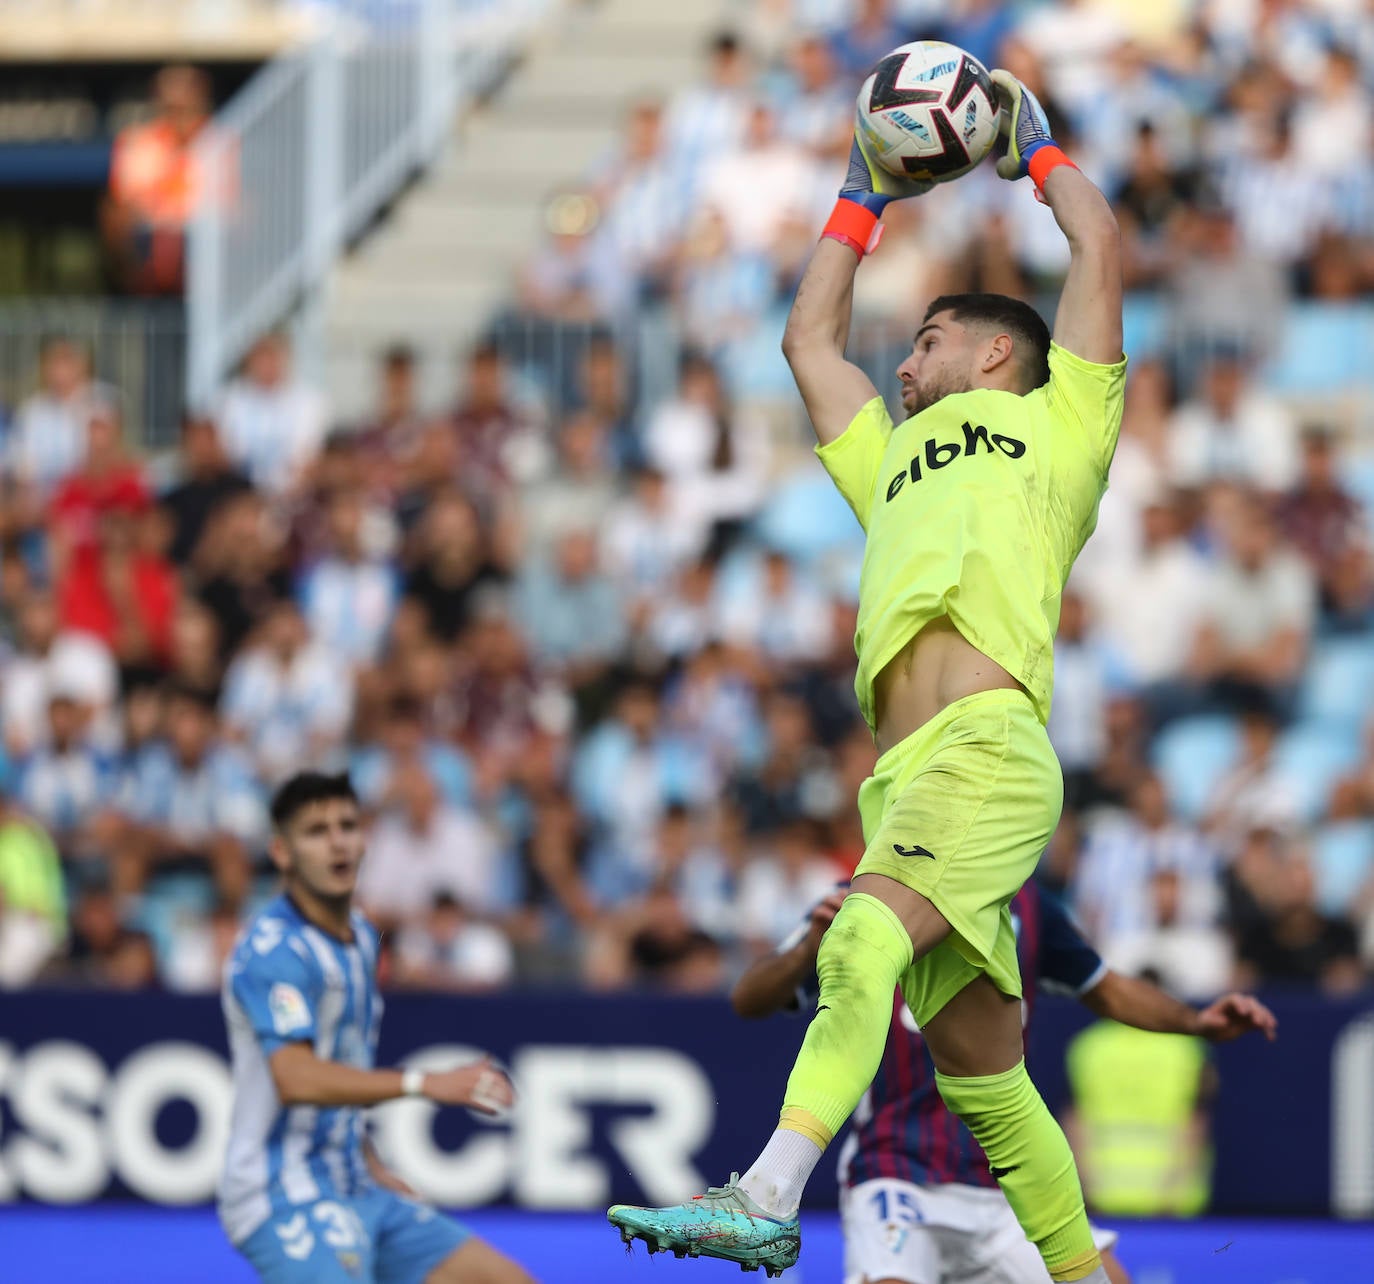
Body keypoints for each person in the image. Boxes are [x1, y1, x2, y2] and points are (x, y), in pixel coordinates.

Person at [609, 69, 1128, 1282]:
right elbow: (807, 339)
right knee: (987, 1086)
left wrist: (1035, 152)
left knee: (853, 948)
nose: (905, 361)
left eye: (931, 339)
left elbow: (1097, 243)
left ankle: (762, 1193)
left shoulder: (1062, 425)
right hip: (905, 774)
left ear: (1001, 351)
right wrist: (859, 190)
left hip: (988, 748)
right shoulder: (886, 460)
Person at [731, 882, 1277, 1284]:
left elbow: (1106, 989)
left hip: (1003, 1180)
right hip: (897, 1170)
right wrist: (808, 948)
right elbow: (749, 998)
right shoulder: (863, 895)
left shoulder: (1031, 907)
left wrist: (1195, 1022)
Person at [218, 770, 534, 1284]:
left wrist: (370, 1161)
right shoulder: (273, 953)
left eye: (347, 825)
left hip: (355, 1181)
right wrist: (423, 1083)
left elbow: (343, 1065)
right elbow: (296, 1078)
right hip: (281, 1193)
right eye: (316, 831)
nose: (338, 842)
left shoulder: (363, 938)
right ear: (281, 852)